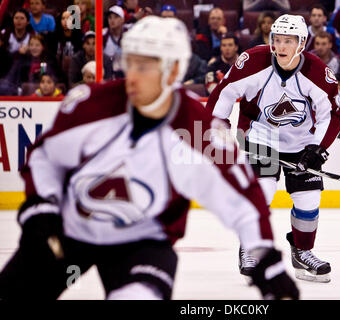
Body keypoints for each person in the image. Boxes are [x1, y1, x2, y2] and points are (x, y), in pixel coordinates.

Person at [0, 16, 299, 301]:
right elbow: (46, 158)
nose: (131, 74)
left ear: (171, 71)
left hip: (141, 243)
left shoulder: (199, 130)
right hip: (67, 229)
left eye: (144, 66)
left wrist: (267, 263)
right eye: (130, 62)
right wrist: (41, 209)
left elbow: (243, 200)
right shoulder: (91, 104)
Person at [206, 14, 340, 283]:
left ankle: (303, 252)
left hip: (302, 141)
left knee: (309, 199)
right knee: (263, 191)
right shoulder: (252, 62)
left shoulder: (318, 73)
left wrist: (318, 149)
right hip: (260, 136)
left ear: (301, 43)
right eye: (277, 39)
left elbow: (333, 114)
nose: (280, 46)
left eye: (288, 41)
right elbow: (223, 95)